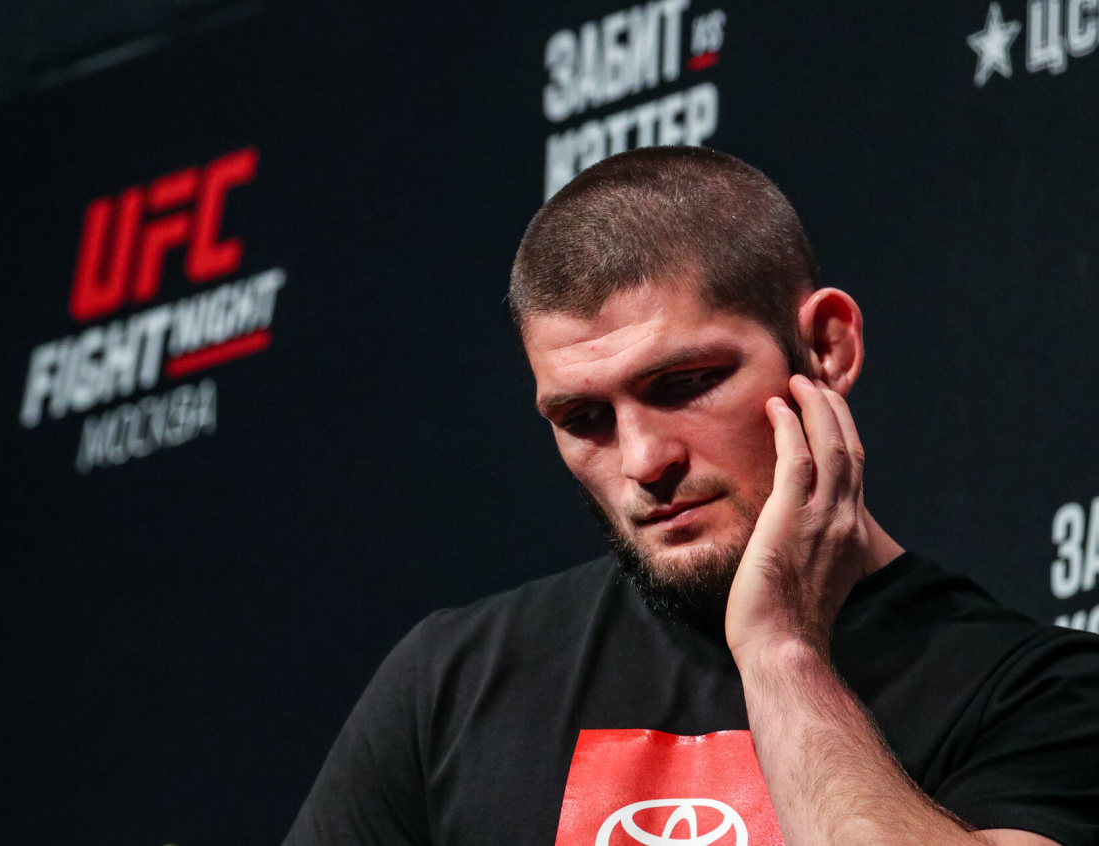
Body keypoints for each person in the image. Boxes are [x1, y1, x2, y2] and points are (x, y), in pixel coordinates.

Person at [285, 148, 1099, 846]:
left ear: (825, 348)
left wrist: (781, 653)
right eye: (584, 419)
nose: (643, 460)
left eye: (685, 384)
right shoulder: (452, 683)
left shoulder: (1037, 693)